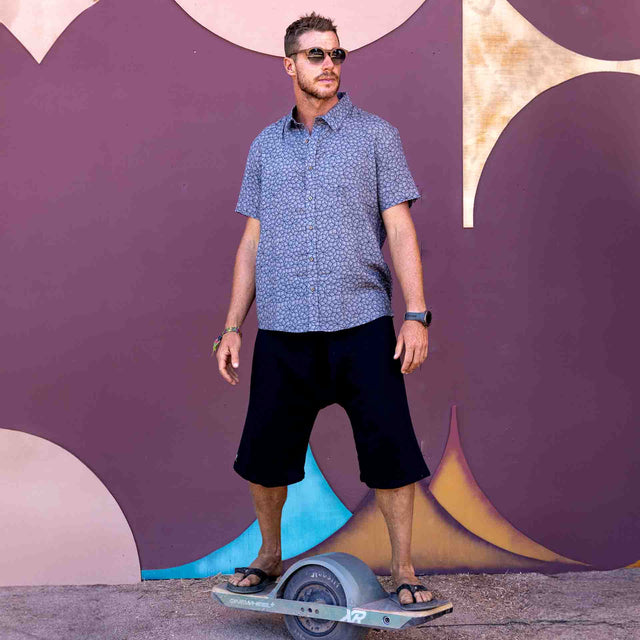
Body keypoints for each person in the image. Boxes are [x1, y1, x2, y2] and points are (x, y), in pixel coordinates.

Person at [214, 12, 434, 608]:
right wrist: (232, 326)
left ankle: (405, 569)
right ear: (289, 65)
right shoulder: (265, 145)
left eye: (336, 54)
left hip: (361, 324)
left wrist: (416, 314)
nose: (329, 64)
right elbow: (252, 241)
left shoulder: (377, 136)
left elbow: (400, 228)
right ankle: (269, 555)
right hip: (283, 329)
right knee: (265, 457)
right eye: (315, 55)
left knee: (391, 452)